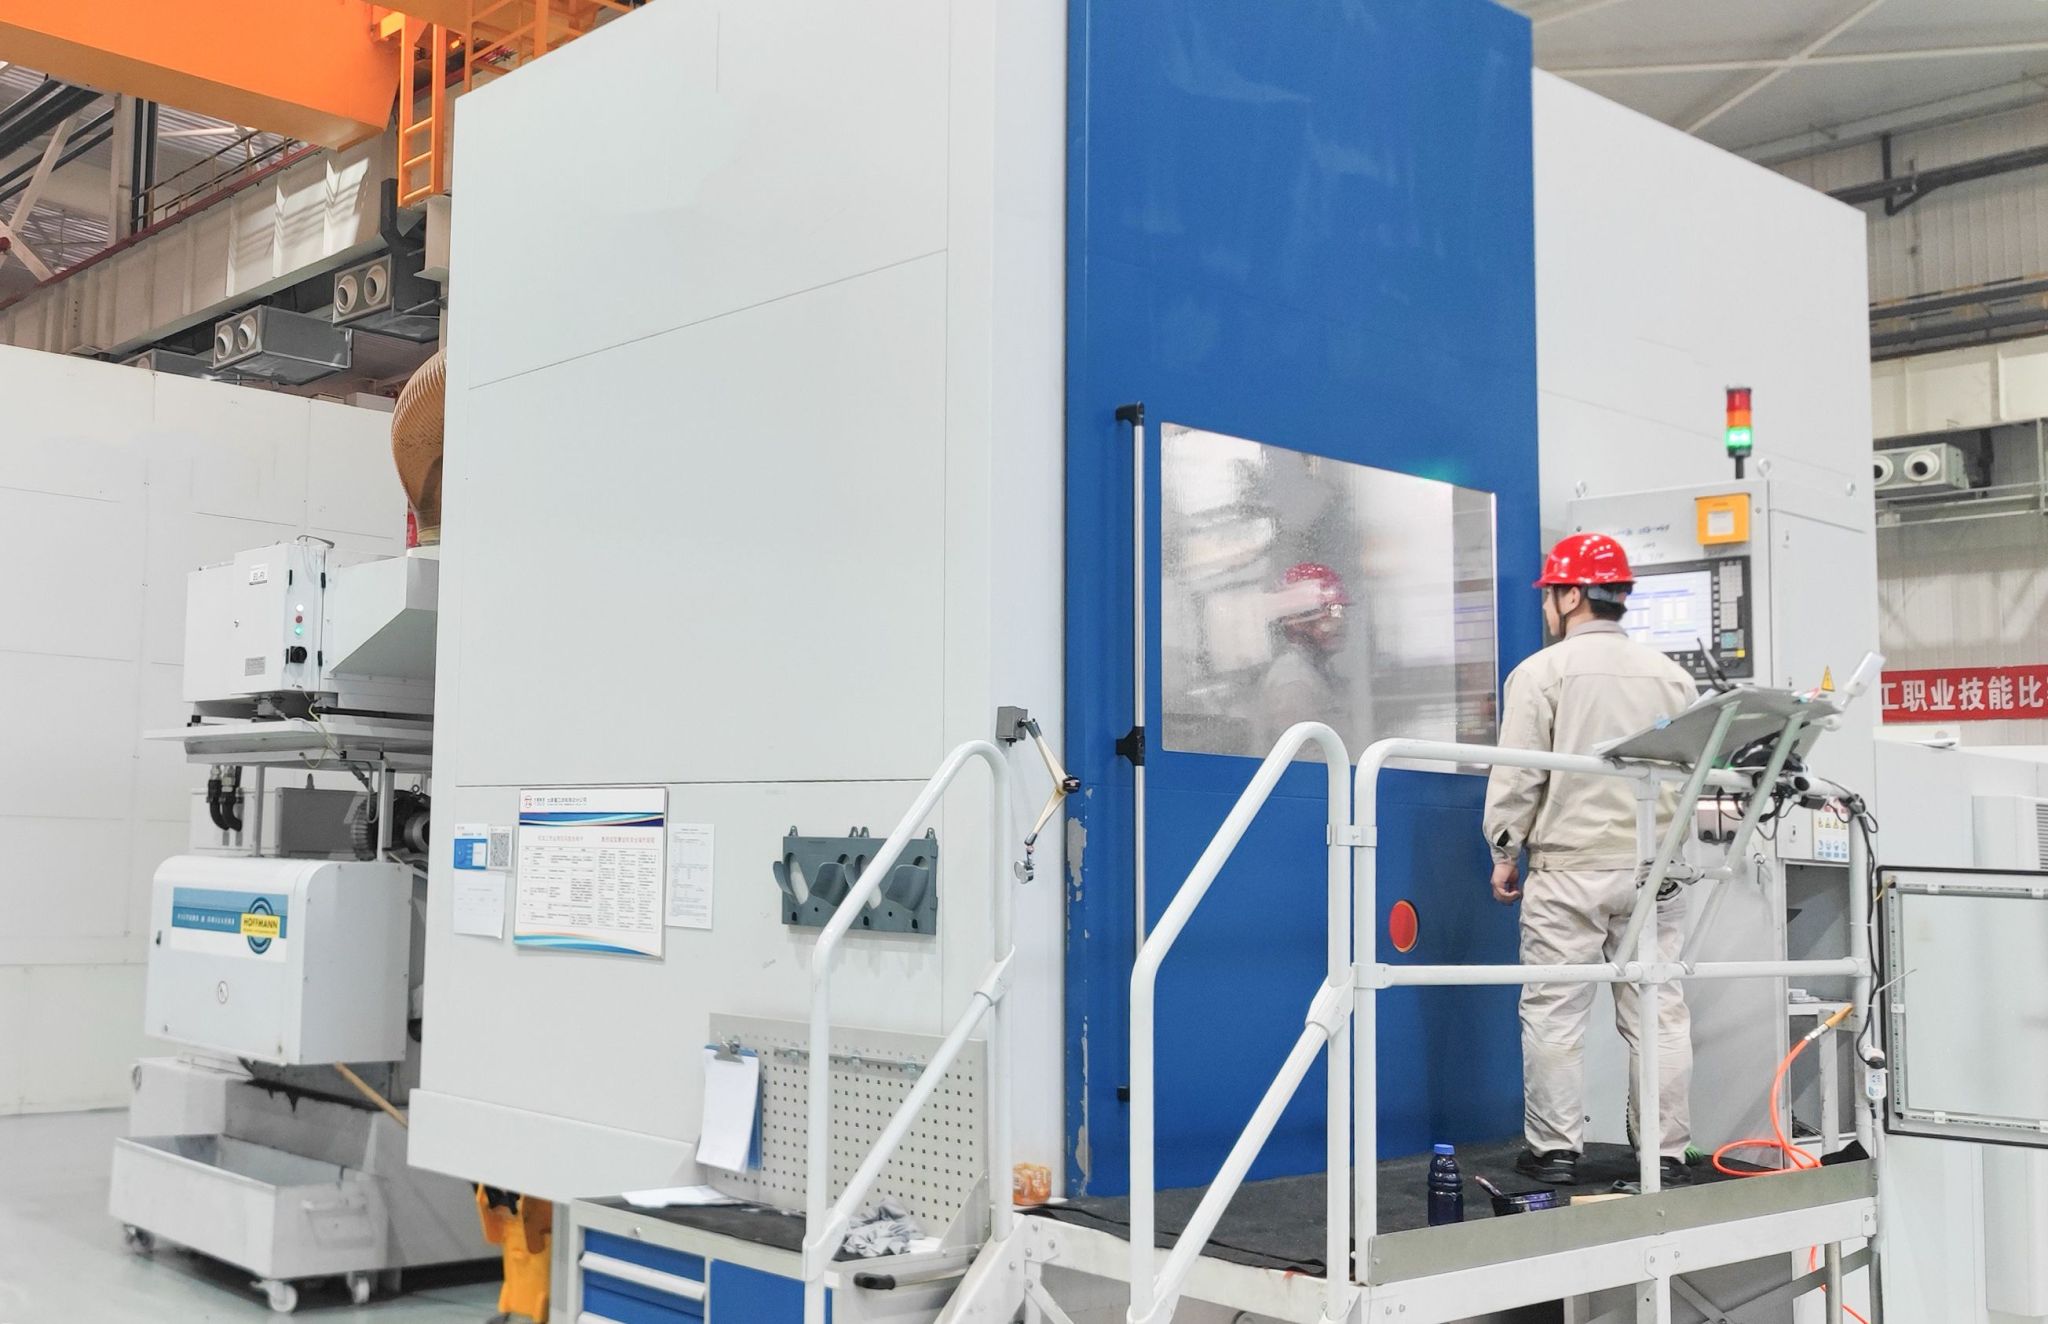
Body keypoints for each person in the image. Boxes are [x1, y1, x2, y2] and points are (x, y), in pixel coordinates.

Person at [1482, 533, 1700, 1187]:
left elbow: (1519, 774)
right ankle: (1664, 1153)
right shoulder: (1673, 677)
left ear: (1572, 595)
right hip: (1655, 869)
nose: (1547, 606)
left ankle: (1554, 1151)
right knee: (1658, 1010)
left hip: (1570, 868)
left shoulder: (1541, 673)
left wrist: (1503, 850)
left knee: (1555, 1009)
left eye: (1551, 594)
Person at [1253, 561, 1352, 750]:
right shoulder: (1293, 680)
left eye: (1340, 612)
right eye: (1329, 613)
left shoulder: (1317, 670)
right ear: (1296, 622)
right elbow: (1304, 759)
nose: (1339, 623)